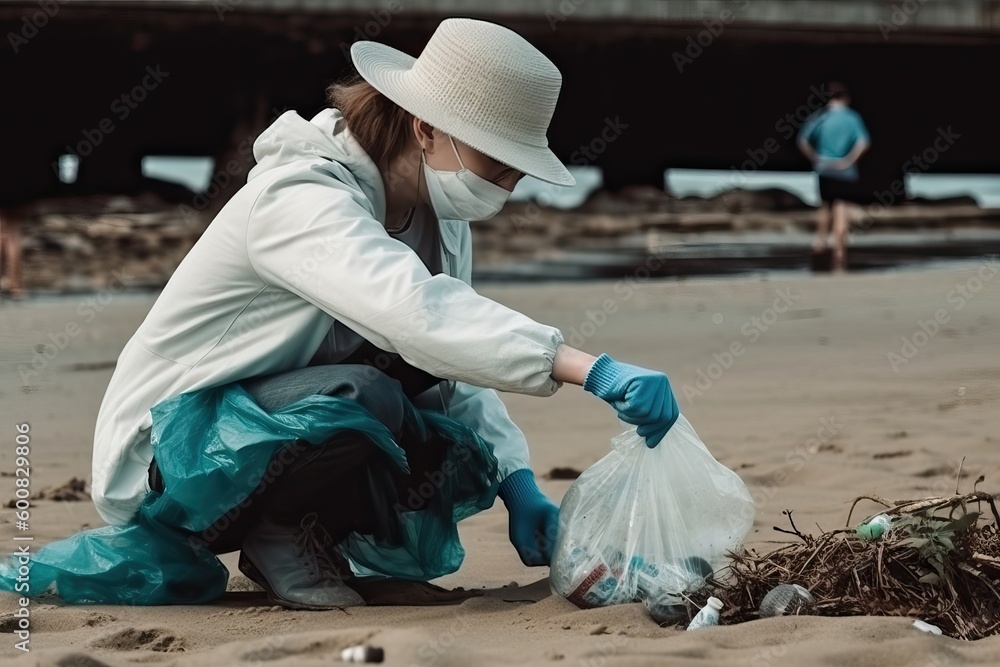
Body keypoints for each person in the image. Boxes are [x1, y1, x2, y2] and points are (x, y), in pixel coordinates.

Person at [1, 18, 681, 610]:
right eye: (498, 160)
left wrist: (518, 484)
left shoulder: (436, 218)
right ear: (424, 128)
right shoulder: (301, 193)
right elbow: (411, 310)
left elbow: (453, 360)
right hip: (175, 454)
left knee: (434, 428)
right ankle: (279, 533)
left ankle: (300, 526)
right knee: (372, 394)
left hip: (273, 426)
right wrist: (585, 368)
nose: (510, 182)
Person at [797, 81, 871, 273]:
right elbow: (864, 142)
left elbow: (802, 140)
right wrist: (849, 160)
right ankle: (839, 254)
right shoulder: (852, 117)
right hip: (844, 171)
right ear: (846, 97)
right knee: (840, 209)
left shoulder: (820, 117)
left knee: (825, 207)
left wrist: (815, 159)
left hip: (824, 168)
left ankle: (820, 241)